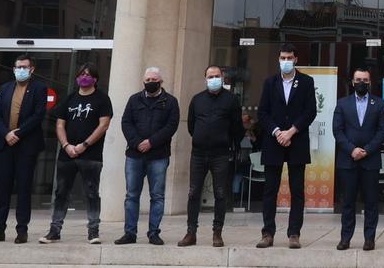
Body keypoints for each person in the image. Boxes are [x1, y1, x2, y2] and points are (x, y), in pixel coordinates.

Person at [40, 62, 112, 245]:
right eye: (81, 74)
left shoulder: (102, 99)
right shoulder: (69, 98)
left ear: (95, 79)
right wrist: (66, 145)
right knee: (61, 193)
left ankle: (93, 231)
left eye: (88, 74)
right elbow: (59, 124)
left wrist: (84, 145)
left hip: (91, 155)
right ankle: (54, 230)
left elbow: (104, 125)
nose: (84, 77)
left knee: (91, 193)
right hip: (67, 155)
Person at [256, 43, 317, 250]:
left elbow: (310, 111)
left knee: (297, 190)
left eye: (289, 58)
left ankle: (294, 233)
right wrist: (277, 132)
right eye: (283, 58)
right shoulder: (270, 82)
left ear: (296, 59)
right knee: (270, 190)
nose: (286, 61)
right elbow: (262, 112)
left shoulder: (306, 82)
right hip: (273, 142)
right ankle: (267, 233)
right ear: (278, 59)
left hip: (296, 141)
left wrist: (291, 131)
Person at [0, 54, 47, 244]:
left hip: (26, 145)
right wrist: (6, 134)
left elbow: (38, 115)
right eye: (18, 67)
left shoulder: (39, 88)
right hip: (5, 144)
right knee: (3, 189)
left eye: (24, 67)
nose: (21, 70)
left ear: (32, 69)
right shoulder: (5, 88)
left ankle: (22, 230)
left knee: (24, 188)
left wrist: (18, 133)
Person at [179, 65, 242, 248]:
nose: (213, 79)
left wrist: (229, 143)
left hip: (220, 153)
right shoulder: (197, 99)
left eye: (216, 76)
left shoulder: (231, 100)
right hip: (199, 153)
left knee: (220, 193)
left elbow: (237, 127)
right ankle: (191, 232)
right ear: (205, 79)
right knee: (193, 192)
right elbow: (191, 125)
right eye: (210, 76)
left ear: (222, 77)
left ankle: (217, 232)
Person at [116, 66, 179, 245]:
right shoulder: (134, 100)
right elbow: (126, 122)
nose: (151, 82)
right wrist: (137, 143)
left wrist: (151, 142)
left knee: (157, 196)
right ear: (143, 81)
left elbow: (171, 126)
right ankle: (130, 233)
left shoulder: (170, 101)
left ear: (161, 81)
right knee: (131, 195)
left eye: (154, 80)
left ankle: (153, 233)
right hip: (134, 155)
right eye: (148, 80)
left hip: (158, 155)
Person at [332, 67, 384, 252]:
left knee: (371, 203)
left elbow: (382, 131)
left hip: (370, 161)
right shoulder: (342, 103)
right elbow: (337, 130)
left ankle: (369, 239)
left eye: (364, 80)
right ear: (352, 82)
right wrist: (352, 149)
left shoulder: (379, 104)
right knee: (348, 203)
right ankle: (345, 239)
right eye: (358, 80)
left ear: (369, 82)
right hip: (348, 160)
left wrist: (367, 150)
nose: (361, 83)